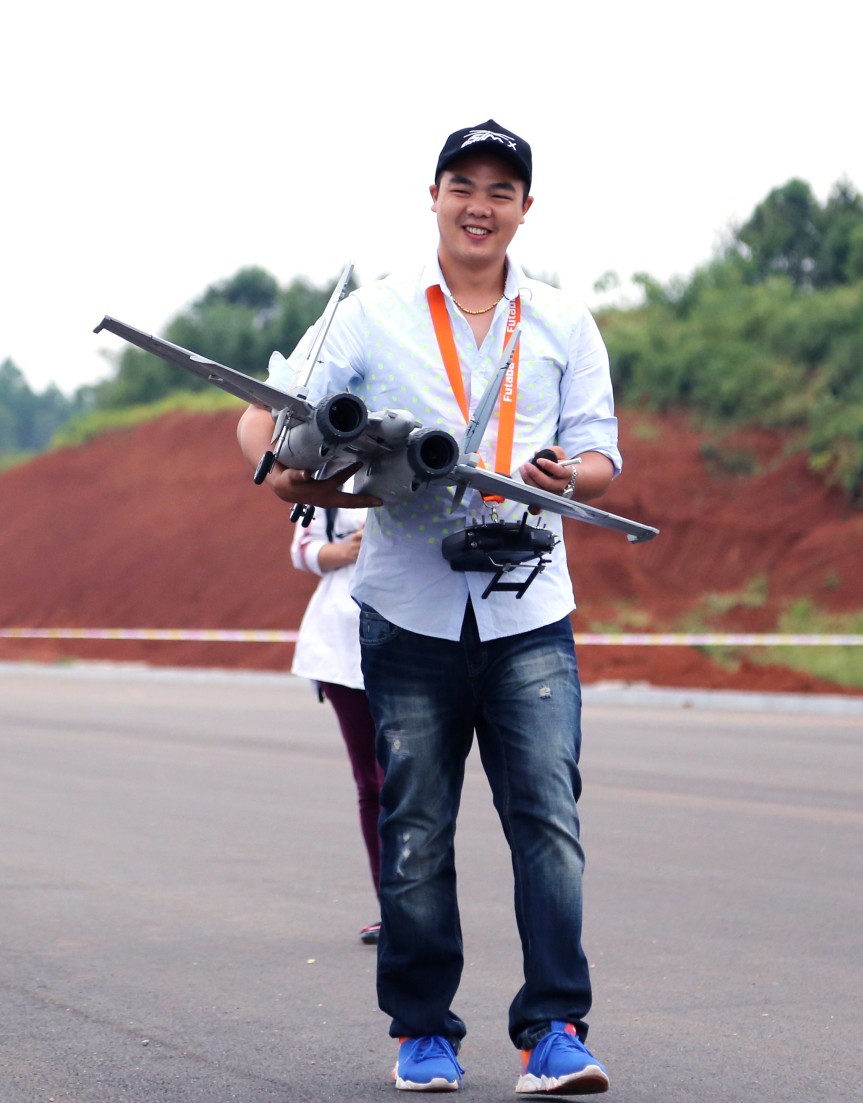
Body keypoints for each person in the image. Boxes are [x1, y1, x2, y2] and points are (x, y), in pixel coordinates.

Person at [237, 119, 614, 1095]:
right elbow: (276, 428)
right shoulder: (368, 317)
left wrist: (569, 469)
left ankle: (555, 1029)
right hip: (406, 609)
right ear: (434, 195)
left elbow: (603, 455)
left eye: (500, 189)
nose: (480, 204)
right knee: (415, 826)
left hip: (531, 608)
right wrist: (286, 457)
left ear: (526, 207)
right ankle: (422, 1032)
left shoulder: (566, 321)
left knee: (550, 824)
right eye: (463, 184)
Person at [288, 503, 384, 945]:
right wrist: (346, 549)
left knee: (418, 785)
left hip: (417, 635)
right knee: (373, 783)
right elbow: (303, 551)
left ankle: (426, 908)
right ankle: (394, 911)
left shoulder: (421, 454)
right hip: (340, 649)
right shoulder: (324, 470)